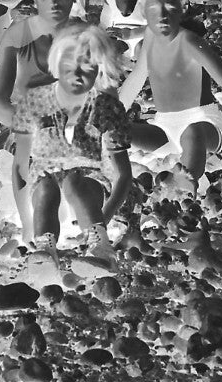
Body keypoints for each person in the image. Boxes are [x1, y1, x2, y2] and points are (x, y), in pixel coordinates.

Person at [13, 22, 133, 282]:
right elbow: (20, 165)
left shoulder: (105, 107)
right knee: (45, 186)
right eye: (69, 65)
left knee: (74, 181)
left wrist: (106, 217)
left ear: (99, 69)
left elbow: (123, 174)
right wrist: (25, 221)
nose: (77, 75)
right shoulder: (35, 101)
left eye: (88, 67)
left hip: (89, 184)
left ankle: (99, 247)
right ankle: (45, 249)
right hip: (43, 180)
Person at [119, 0, 222, 187]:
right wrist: (113, 115)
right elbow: (137, 78)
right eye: (154, 8)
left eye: (170, 8)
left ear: (181, 10)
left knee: (193, 134)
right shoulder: (150, 37)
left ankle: (186, 181)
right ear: (142, 10)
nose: (162, 15)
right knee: (117, 130)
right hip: (163, 125)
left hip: (201, 122)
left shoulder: (189, 42)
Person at [0, 0, 83, 242]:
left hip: (74, 127)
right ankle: (40, 241)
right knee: (42, 182)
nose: (54, 1)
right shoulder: (17, 36)